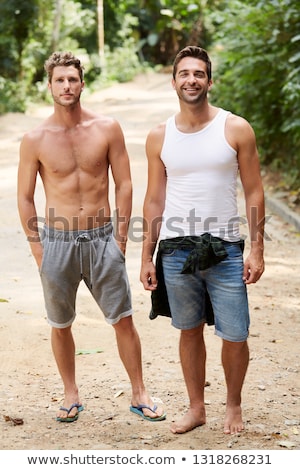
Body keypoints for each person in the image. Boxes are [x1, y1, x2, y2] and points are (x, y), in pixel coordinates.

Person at [17, 51, 165, 423]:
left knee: (123, 319)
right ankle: (71, 393)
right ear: (49, 86)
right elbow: (23, 196)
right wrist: (39, 249)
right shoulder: (35, 139)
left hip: (102, 239)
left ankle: (139, 392)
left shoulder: (107, 128)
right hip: (57, 241)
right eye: (59, 80)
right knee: (60, 323)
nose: (67, 86)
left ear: (83, 83)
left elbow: (125, 183)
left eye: (73, 79)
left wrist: (119, 240)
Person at [140, 46, 265, 435]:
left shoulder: (235, 128)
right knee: (189, 329)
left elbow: (255, 192)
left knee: (235, 333)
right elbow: (154, 198)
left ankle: (233, 406)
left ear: (210, 81)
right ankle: (197, 408)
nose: (191, 80)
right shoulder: (160, 135)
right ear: (173, 81)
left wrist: (257, 248)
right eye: (184, 74)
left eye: (198, 74)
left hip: (224, 248)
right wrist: (146, 255)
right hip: (176, 250)